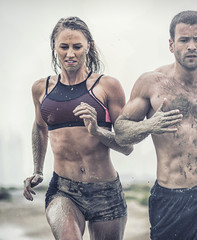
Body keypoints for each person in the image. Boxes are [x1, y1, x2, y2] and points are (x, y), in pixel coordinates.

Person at [114, 10, 197, 239]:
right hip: (168, 200)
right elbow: (121, 131)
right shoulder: (151, 84)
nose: (192, 46)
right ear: (171, 44)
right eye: (184, 40)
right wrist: (149, 126)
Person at [23, 16, 132, 240]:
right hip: (63, 190)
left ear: (88, 47)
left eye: (77, 47)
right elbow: (39, 128)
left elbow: (127, 145)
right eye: (64, 47)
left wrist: (97, 131)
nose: (70, 54)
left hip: (106, 190)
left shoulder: (107, 86)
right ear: (55, 47)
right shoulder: (41, 89)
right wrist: (37, 170)